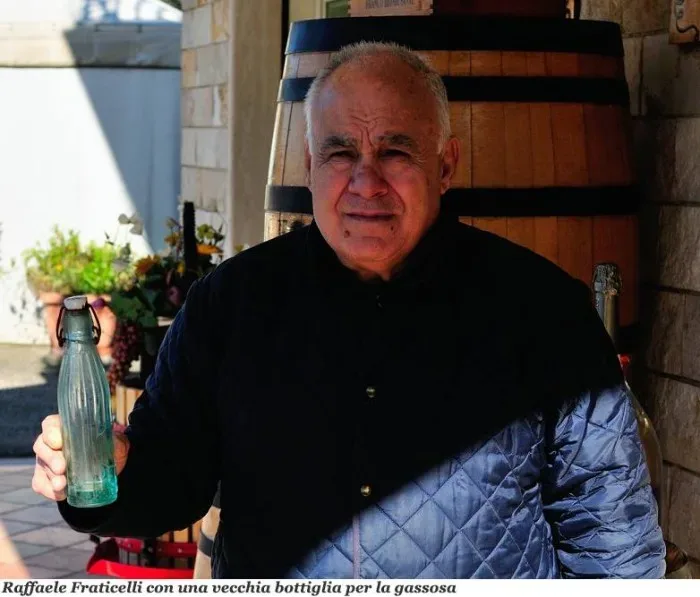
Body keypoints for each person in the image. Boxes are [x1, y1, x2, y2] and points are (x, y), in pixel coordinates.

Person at [32, 42, 665, 579]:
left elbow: (610, 532)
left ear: (446, 166)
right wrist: (108, 474)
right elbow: (171, 481)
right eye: (340, 153)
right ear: (310, 166)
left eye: (395, 151)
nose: (366, 182)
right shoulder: (231, 304)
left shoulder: (543, 310)